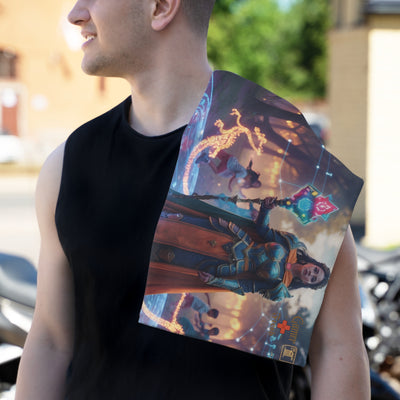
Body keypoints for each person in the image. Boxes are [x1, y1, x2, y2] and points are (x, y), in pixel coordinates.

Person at [15, 0, 370, 399]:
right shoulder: (68, 165)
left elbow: (336, 348)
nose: (76, 13)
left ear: (161, 7)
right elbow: (50, 341)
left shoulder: (282, 159)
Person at [148, 196, 330, 301]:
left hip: (223, 265)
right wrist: (265, 209)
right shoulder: (289, 245)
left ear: (307, 284)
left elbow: (245, 286)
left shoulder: (279, 288)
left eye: (313, 279)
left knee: (167, 254)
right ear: (312, 263)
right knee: (174, 224)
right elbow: (262, 230)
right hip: (230, 236)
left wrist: (216, 281)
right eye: (316, 270)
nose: (311, 274)